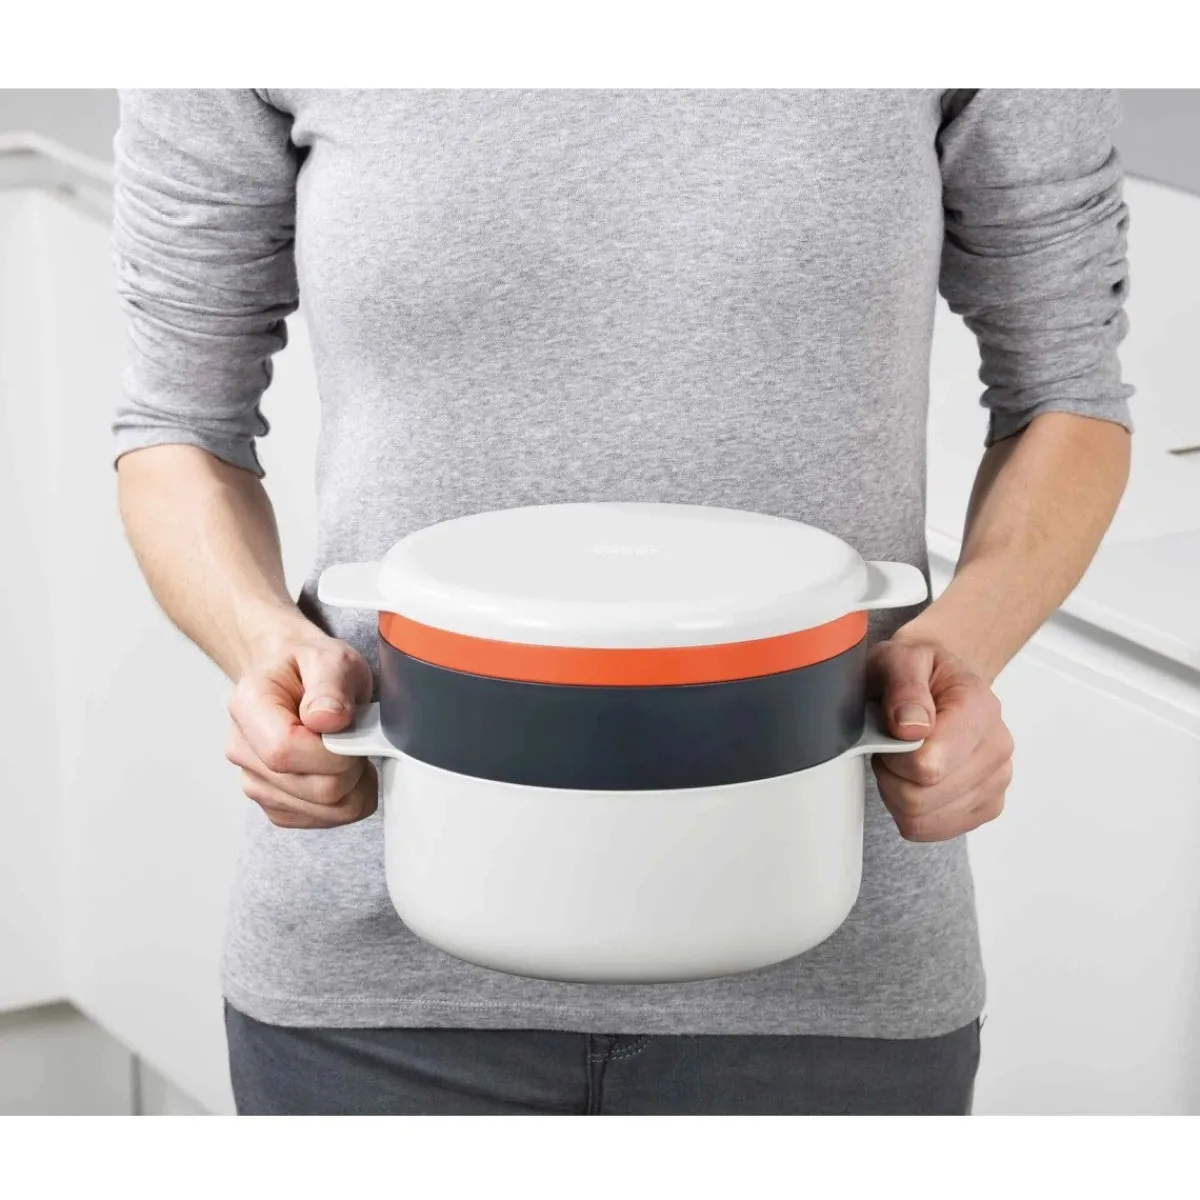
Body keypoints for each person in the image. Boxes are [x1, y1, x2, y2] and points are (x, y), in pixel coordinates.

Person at [111, 89, 1132, 1115]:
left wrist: (961, 651)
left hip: (830, 972)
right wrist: (260, 643)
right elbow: (178, 423)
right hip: (373, 983)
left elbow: (1066, 393)